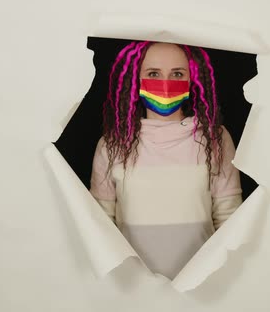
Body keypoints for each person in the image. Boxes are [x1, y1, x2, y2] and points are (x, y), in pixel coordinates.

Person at [89, 41, 242, 280]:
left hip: (201, 287)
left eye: (178, 74)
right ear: (135, 80)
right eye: (153, 73)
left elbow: (230, 221)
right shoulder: (112, 144)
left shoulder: (215, 139)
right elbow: (99, 227)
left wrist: (217, 280)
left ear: (192, 80)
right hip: (132, 290)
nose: (165, 82)